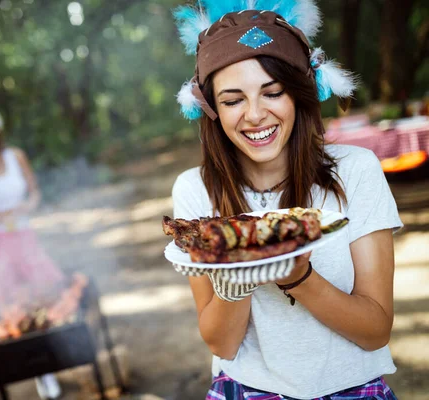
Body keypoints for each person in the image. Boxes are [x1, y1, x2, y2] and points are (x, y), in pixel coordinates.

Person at [171, 1, 401, 399]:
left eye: (272, 92)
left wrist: (299, 278)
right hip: (245, 390)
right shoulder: (195, 191)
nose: (255, 114)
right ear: (211, 110)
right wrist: (238, 277)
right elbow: (222, 345)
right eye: (232, 100)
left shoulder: (357, 171)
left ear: (297, 94)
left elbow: (375, 331)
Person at [0, 95, 64, 400]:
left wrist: (21, 209)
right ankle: (34, 371)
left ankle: (48, 370)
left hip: (25, 238)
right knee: (15, 310)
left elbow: (34, 195)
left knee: (42, 302)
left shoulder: (15, 156)